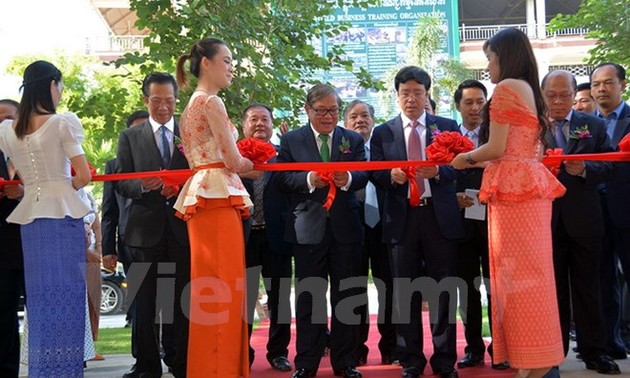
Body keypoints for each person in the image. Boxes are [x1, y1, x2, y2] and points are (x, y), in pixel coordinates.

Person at [450, 28, 566, 378]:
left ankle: (532, 363)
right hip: (529, 191)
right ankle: (537, 360)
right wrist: (479, 159)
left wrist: (465, 158)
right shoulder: (530, 90)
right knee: (535, 276)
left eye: (491, 58)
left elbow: (497, 148)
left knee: (516, 280)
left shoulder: (506, 89)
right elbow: (515, 151)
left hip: (514, 197)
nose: (488, 66)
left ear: (505, 57)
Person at [0, 60, 92, 377]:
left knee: (39, 303)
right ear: (52, 85)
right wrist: (67, 187)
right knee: (67, 298)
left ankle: (43, 370)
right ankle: (65, 371)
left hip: (31, 220)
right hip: (61, 217)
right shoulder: (61, 123)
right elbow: (84, 175)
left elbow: (17, 174)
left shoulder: (8, 130)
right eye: (60, 85)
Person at [370, 66, 463, 378]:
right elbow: (374, 172)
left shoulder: (447, 127)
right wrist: (391, 175)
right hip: (402, 220)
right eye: (405, 93)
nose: (411, 99)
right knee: (404, 291)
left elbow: (460, 167)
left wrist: (438, 172)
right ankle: (411, 359)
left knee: (443, 290)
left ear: (427, 95)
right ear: (397, 96)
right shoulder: (383, 132)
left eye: (417, 93)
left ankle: (445, 360)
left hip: (438, 218)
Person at [273, 83, 368, 378]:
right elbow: (282, 180)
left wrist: (349, 178)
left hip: (345, 229)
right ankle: (306, 363)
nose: (329, 117)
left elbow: (366, 172)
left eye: (334, 110)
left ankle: (345, 362)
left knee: (347, 297)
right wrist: (310, 179)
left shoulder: (351, 139)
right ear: (308, 110)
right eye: (322, 111)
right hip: (308, 229)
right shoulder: (291, 140)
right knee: (309, 297)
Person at [174, 37, 254, 378]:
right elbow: (233, 160)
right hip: (217, 196)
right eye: (227, 59)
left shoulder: (191, 104)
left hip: (206, 195)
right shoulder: (211, 102)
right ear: (205, 63)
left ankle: (213, 368)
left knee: (212, 289)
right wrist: (255, 160)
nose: (231, 66)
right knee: (222, 290)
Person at [540, 69, 619, 375]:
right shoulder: (533, 128)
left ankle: (595, 351)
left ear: (575, 95)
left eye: (564, 95)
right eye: (552, 95)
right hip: (545, 219)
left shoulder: (594, 125)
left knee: (590, 287)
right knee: (553, 289)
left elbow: (610, 166)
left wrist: (585, 168)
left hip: (585, 218)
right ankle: (552, 353)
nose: (558, 101)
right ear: (543, 95)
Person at [116, 73, 190, 378]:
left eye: (169, 100)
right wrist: (143, 186)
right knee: (144, 306)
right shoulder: (130, 137)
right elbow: (121, 182)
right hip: (143, 232)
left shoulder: (189, 133)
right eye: (157, 100)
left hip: (180, 228)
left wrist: (180, 189)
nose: (163, 107)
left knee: (180, 301)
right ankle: (147, 366)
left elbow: (201, 175)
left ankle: (182, 362)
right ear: (146, 100)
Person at [451, 80, 501, 370]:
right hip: (461, 224)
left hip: (494, 221)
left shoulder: (497, 137)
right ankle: (473, 347)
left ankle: (500, 347)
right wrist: (453, 197)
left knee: (496, 288)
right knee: (467, 288)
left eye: (480, 101)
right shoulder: (446, 136)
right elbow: (441, 176)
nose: (475, 108)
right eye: (468, 102)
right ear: (458, 106)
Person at [239, 103, 293, 371]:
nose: (259, 124)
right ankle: (243, 352)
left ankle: (278, 352)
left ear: (272, 124)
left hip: (277, 238)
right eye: (253, 120)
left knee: (280, 298)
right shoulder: (233, 156)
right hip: (244, 238)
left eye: (265, 119)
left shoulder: (284, 155)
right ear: (243, 125)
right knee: (244, 301)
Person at [343, 99, 396, 366]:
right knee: (354, 288)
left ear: (373, 120)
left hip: (384, 225)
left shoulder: (383, 147)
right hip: (353, 226)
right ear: (345, 122)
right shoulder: (343, 149)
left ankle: (391, 346)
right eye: (354, 117)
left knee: (388, 286)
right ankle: (355, 348)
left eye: (365, 115)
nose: (360, 120)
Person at [591, 62, 630, 361]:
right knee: (602, 280)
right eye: (595, 84)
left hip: (627, 210)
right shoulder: (585, 123)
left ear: (622, 85)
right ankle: (609, 343)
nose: (601, 89)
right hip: (593, 211)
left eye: (608, 83)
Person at [0, 98, 24, 378]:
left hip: (34, 242)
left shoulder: (33, 149)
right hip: (3, 251)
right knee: (4, 316)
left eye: (9, 118)